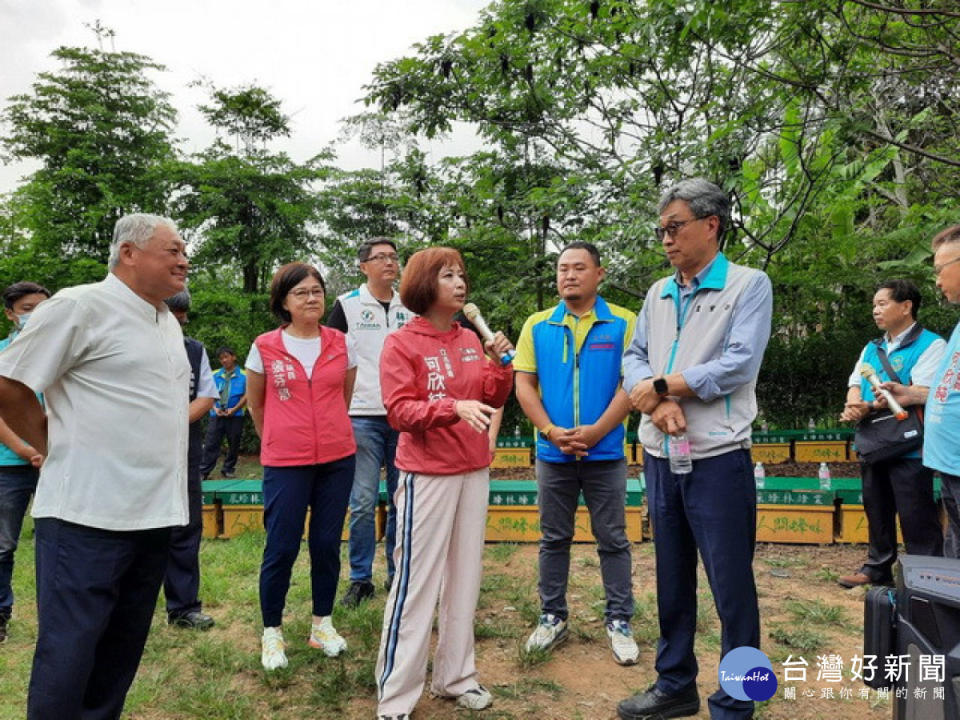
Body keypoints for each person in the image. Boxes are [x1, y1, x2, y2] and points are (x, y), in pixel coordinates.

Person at [0, 214, 191, 719]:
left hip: (152, 516)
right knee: (71, 653)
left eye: (183, 251)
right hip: (87, 517)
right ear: (129, 253)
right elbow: (9, 383)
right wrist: (48, 440)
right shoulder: (80, 306)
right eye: (172, 250)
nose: (183, 260)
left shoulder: (165, 320)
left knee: (118, 655)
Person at [619, 178, 773, 720]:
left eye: (674, 227)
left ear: (711, 225)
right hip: (662, 456)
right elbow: (634, 356)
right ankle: (675, 682)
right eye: (661, 229)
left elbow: (738, 364)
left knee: (731, 585)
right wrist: (657, 404)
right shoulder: (659, 291)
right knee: (672, 576)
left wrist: (666, 386)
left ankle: (738, 700)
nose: (666, 239)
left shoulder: (748, 285)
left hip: (718, 459)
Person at [374, 247, 514, 718]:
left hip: (473, 470)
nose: (460, 283)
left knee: (465, 579)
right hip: (426, 476)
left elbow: (492, 397)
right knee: (417, 583)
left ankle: (455, 678)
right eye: (448, 275)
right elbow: (399, 411)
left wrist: (499, 363)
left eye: (462, 275)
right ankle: (396, 696)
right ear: (423, 285)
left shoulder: (471, 339)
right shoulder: (402, 343)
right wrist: (451, 407)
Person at [514, 241, 639, 666]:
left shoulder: (623, 322)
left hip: (605, 454)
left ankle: (619, 619)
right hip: (554, 454)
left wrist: (599, 430)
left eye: (579, 268)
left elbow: (632, 383)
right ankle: (552, 615)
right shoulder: (537, 325)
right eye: (562, 268)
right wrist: (550, 431)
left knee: (613, 538)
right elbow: (524, 385)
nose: (569, 275)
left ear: (599, 274)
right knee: (553, 538)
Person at [245, 262, 357, 671]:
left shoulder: (342, 343)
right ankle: (272, 632)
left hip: (337, 458)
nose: (311, 299)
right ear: (283, 303)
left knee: (327, 544)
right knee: (282, 547)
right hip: (285, 462)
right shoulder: (264, 346)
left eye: (316, 291)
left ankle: (321, 624)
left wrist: (326, 432)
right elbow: (256, 404)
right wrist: (278, 437)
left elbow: (342, 396)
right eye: (301, 293)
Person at [837, 280, 945, 588]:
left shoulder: (930, 345)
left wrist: (884, 400)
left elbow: (925, 392)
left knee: (916, 515)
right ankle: (877, 568)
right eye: (874, 305)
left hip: (908, 444)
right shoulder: (873, 348)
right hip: (875, 441)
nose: (875, 310)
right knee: (877, 509)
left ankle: (927, 575)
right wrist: (854, 403)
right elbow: (855, 381)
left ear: (906, 306)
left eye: (882, 303)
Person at [327, 237, 412, 606]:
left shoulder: (412, 304)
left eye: (394, 257)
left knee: (401, 499)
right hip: (361, 416)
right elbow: (330, 356)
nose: (389, 263)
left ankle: (397, 574)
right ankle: (360, 578)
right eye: (380, 258)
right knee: (361, 501)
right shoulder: (346, 306)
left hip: (405, 416)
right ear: (363, 266)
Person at [883, 226, 960, 557]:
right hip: (950, 465)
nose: (938, 281)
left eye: (941, 269)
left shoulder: (931, 341)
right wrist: (912, 394)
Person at [162, 290, 219, 629]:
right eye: (173, 314)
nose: (180, 321)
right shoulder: (129, 345)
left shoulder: (194, 350)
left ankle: (183, 607)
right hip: (134, 450)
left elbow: (207, 396)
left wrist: (170, 422)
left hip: (184, 448)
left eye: (183, 316)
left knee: (185, 525)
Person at [0, 281, 50, 643]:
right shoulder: (2, 354)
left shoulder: (60, 355)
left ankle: (58, 617)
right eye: (28, 309)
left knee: (60, 545)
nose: (36, 316)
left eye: (43, 308)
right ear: (10, 314)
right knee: (3, 544)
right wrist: (27, 450)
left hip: (59, 463)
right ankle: (1, 614)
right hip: (10, 465)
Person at [199, 346, 247, 480]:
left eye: (226, 357)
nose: (224, 360)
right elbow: (207, 393)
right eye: (221, 358)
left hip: (235, 415)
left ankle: (228, 469)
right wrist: (214, 408)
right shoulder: (214, 375)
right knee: (211, 442)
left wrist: (235, 409)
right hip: (216, 414)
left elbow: (247, 395)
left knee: (234, 443)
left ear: (234, 357)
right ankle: (204, 471)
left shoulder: (244, 375)